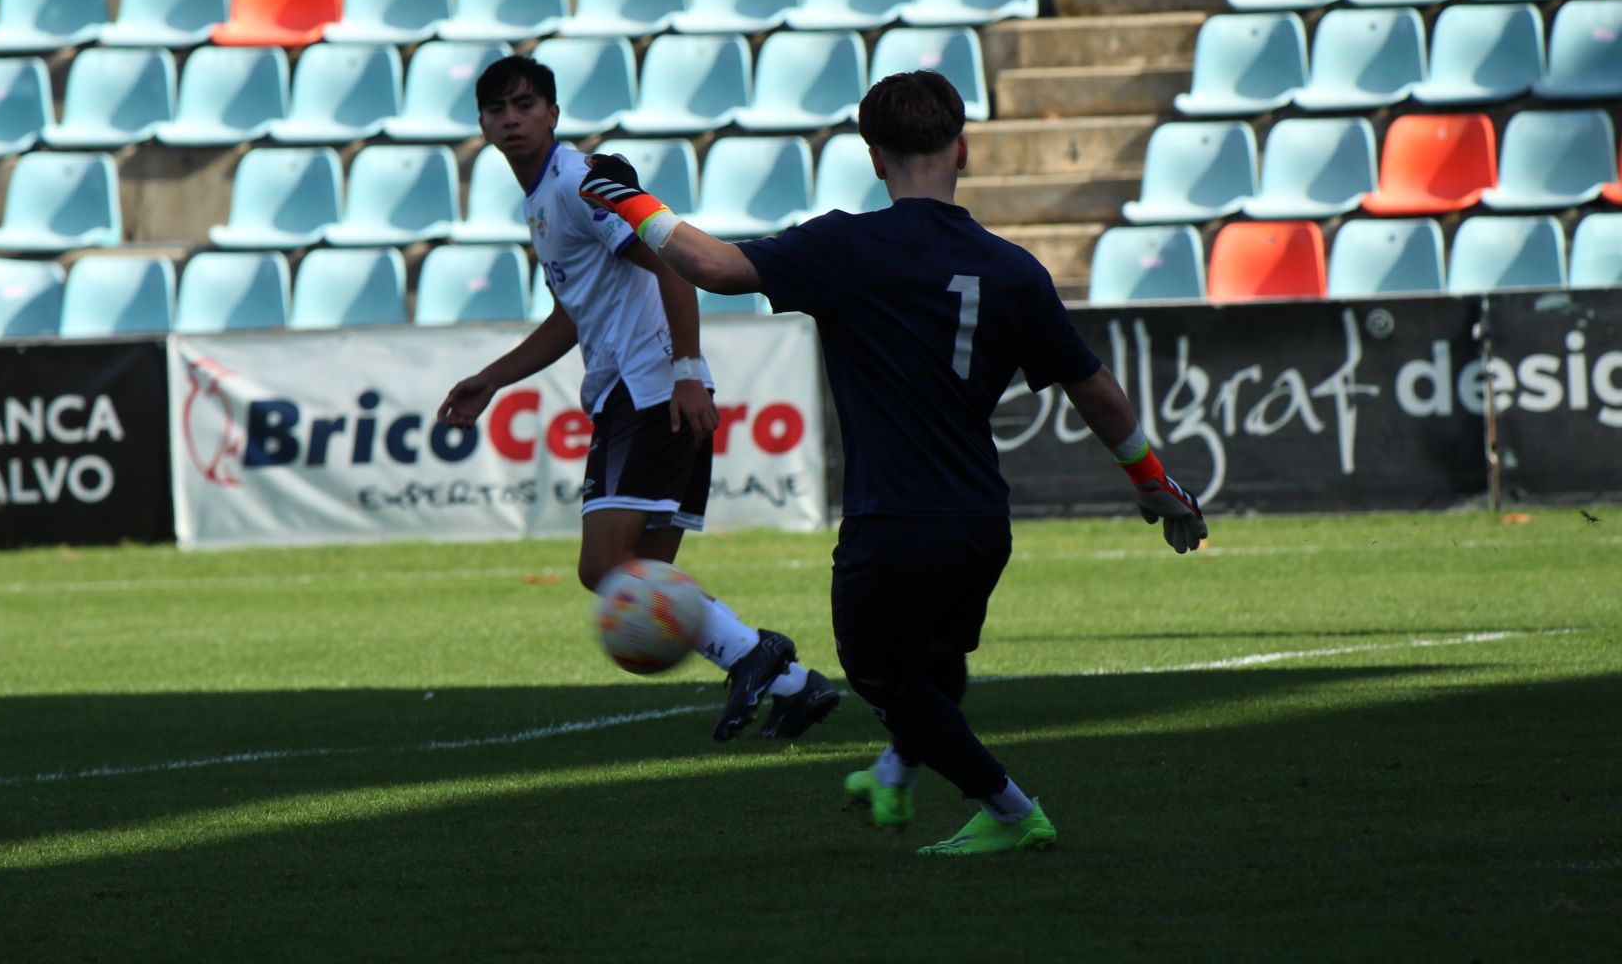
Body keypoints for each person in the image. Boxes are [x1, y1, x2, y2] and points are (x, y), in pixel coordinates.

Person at [578, 69, 1209, 857]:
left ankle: (1012, 811)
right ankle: (894, 776)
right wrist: (1154, 486)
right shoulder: (1015, 269)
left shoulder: (847, 244)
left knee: (882, 678)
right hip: (981, 520)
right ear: (964, 150)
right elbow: (1096, 390)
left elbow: (709, 266)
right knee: (934, 662)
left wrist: (620, 196)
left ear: (875, 159)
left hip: (891, 521)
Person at [437, 55, 841, 742]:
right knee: (647, 576)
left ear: (553, 114)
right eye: (498, 108)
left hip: (651, 388)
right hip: (649, 387)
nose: (511, 118)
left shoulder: (579, 183)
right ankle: (794, 685)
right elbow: (572, 314)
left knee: (605, 567)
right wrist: (495, 377)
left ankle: (753, 654)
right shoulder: (543, 198)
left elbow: (671, 263)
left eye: (526, 104)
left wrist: (684, 368)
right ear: (481, 123)